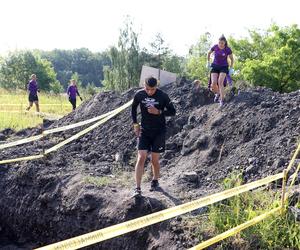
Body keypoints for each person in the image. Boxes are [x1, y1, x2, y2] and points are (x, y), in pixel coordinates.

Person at [131, 77, 176, 197]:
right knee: (141, 157)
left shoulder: (163, 96)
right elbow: (133, 108)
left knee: (154, 160)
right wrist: (135, 124)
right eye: (147, 89)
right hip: (144, 131)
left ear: (157, 86)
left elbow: (173, 111)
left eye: (152, 89)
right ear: (144, 85)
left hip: (159, 132)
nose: (150, 92)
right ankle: (137, 188)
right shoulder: (139, 94)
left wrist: (159, 112)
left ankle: (155, 180)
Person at [207, 35, 234, 106]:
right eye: (219, 43)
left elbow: (232, 59)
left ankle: (221, 100)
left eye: (222, 43)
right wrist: (208, 62)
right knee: (213, 83)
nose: (220, 44)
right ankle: (218, 93)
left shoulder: (227, 49)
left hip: (224, 67)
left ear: (225, 43)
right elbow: (209, 53)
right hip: (215, 66)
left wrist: (231, 68)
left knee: (220, 82)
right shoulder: (215, 47)